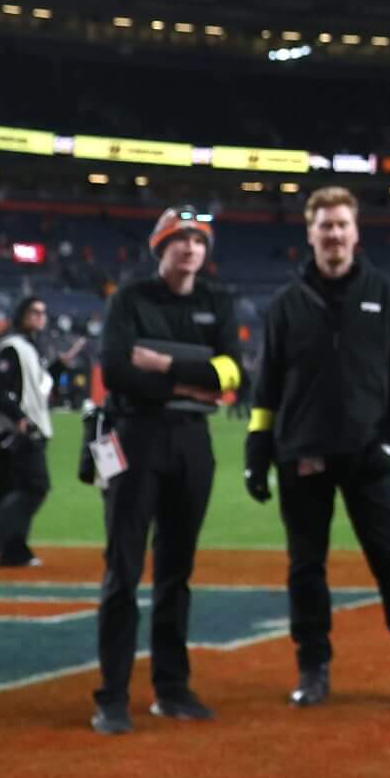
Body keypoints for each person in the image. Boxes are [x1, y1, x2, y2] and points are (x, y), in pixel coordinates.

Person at [243, 187, 390, 712]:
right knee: (305, 568)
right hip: (301, 454)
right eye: (325, 226)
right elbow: (267, 387)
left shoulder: (389, 296)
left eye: (341, 225)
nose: (334, 234)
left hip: (367, 454)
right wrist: (257, 451)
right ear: (309, 234)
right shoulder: (285, 305)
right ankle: (313, 670)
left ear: (356, 232)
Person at [93, 208, 241, 734]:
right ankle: (112, 696)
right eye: (180, 239)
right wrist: (191, 383)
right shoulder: (129, 299)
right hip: (135, 437)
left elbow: (232, 373)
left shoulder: (217, 301)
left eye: (199, 240)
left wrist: (166, 367)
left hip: (192, 443)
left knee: (177, 572)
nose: (190, 248)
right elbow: (116, 371)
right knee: (124, 570)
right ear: (160, 246)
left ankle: (172, 689)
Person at [0, 296, 53, 569]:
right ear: (22, 315)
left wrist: (60, 367)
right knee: (35, 486)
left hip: (11, 432)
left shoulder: (25, 347)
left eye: (43, 312)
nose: (40, 316)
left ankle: (14, 551)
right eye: (34, 311)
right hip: (15, 432)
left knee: (11, 492)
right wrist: (20, 419)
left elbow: (27, 387)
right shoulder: (13, 347)